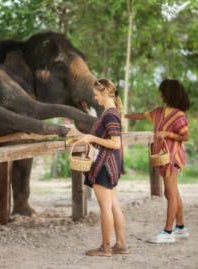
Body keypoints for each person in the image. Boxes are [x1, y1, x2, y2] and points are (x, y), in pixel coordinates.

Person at [124, 79, 190, 243]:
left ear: (169, 93)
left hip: (173, 156)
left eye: (162, 91)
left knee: (169, 193)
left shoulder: (179, 115)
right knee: (174, 191)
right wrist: (123, 115)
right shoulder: (159, 111)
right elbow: (142, 115)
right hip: (164, 156)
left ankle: (168, 232)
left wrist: (167, 134)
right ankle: (180, 228)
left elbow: (185, 136)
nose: (160, 94)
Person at [78, 78, 127, 257]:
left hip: (104, 165)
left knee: (106, 207)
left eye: (97, 94)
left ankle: (105, 248)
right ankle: (121, 245)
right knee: (113, 205)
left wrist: (91, 139)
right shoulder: (111, 112)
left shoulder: (110, 114)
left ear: (104, 93)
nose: (95, 98)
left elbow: (115, 143)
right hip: (110, 165)